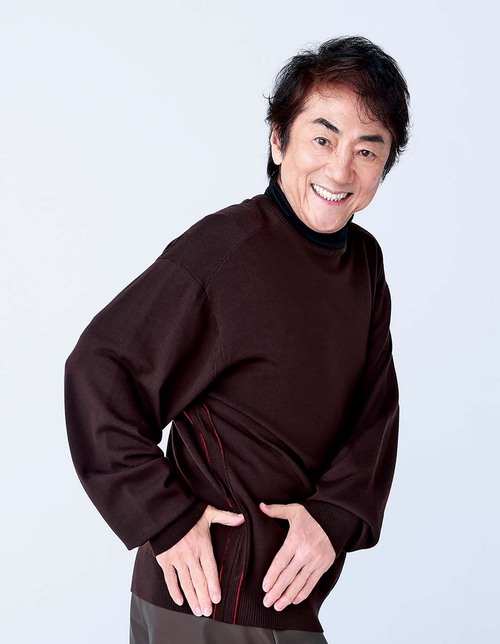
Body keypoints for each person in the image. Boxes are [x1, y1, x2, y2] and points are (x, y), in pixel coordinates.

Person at [64, 35, 410, 644]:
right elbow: (100, 370)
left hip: (287, 607)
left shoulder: (364, 262)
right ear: (279, 140)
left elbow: (375, 411)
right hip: (203, 604)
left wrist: (333, 518)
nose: (340, 170)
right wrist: (166, 519)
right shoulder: (225, 251)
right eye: (323, 139)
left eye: (366, 149)